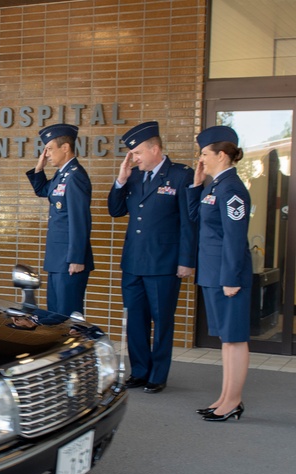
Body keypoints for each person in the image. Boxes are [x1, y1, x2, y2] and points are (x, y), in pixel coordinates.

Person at [107, 121, 197, 394]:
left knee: (162, 320)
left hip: (164, 263)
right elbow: (115, 210)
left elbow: (189, 222)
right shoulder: (132, 177)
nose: (133, 158)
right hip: (133, 262)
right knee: (135, 320)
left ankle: (158, 374)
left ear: (154, 149)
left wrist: (186, 260)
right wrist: (120, 180)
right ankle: (140, 371)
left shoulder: (181, 175)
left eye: (136, 153)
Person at [187, 125, 252, 422]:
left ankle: (233, 402)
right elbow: (196, 219)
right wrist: (196, 186)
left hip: (227, 276)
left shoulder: (232, 189)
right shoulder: (214, 186)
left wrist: (230, 278)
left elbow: (235, 238)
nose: (200, 159)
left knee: (235, 339)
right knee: (227, 339)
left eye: (204, 153)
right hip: (214, 273)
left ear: (222, 155)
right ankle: (225, 398)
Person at [26, 123, 94, 316]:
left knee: (68, 316)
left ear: (65, 148)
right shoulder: (61, 175)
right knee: (55, 314)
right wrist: (39, 168)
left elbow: (79, 220)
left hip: (69, 260)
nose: (46, 153)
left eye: (49, 149)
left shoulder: (75, 176)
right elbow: (42, 190)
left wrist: (76, 258)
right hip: (58, 259)